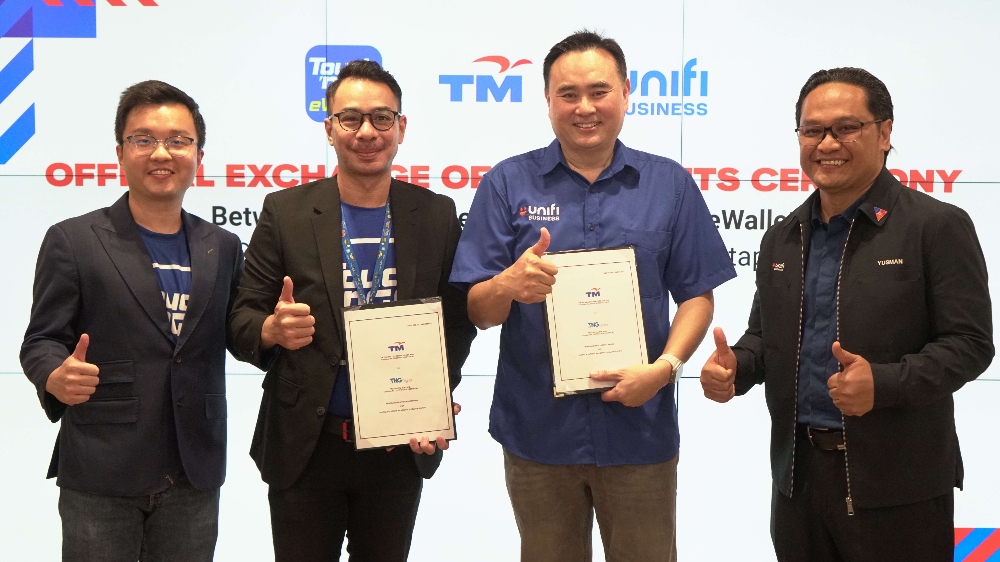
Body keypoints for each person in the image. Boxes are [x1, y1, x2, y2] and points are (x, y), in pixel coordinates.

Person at [449, 30, 736, 562]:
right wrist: (507, 286)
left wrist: (666, 367)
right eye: (568, 94)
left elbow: (698, 296)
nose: (585, 108)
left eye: (599, 91)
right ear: (547, 100)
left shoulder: (668, 184)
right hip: (537, 432)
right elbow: (478, 311)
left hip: (640, 430)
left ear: (626, 92)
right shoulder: (507, 183)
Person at [700, 67, 994, 561]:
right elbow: (766, 338)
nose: (827, 143)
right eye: (812, 130)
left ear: (884, 132)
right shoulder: (783, 237)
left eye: (846, 128)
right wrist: (736, 369)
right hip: (798, 483)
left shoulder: (937, 226)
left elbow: (969, 345)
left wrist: (884, 383)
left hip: (899, 487)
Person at [227, 60, 476, 561]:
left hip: (397, 444)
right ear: (329, 127)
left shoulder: (435, 214)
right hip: (308, 443)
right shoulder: (286, 211)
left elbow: (456, 323)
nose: (367, 131)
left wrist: (436, 396)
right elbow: (240, 321)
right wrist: (273, 330)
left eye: (382, 118)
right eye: (351, 118)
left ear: (402, 128)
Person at [20, 80, 244, 561]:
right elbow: (41, 340)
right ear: (120, 153)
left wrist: (268, 330)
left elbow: (236, 332)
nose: (162, 152)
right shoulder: (74, 240)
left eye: (178, 140)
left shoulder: (222, 246)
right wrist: (55, 375)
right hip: (102, 468)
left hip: (194, 469)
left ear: (198, 157)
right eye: (143, 139)